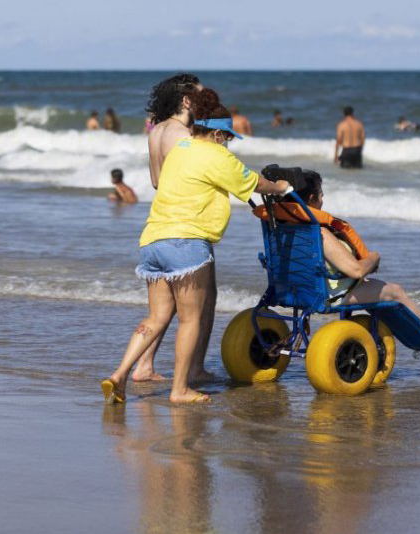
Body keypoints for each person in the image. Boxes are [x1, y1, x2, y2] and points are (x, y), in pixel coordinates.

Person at [101, 89, 291, 405]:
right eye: (226, 137)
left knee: (156, 317)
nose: (227, 142)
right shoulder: (217, 156)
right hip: (187, 244)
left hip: (153, 240)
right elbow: (254, 182)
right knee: (190, 319)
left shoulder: (181, 149)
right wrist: (281, 186)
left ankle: (119, 375)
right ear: (216, 134)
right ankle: (180, 389)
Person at [289, 171, 420, 345]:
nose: (322, 201)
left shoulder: (283, 229)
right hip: (325, 295)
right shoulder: (319, 234)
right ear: (311, 198)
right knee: (395, 291)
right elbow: (357, 271)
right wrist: (374, 258)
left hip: (293, 290)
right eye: (321, 196)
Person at [136, 73, 203, 382]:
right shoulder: (184, 135)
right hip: (184, 224)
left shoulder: (156, 131)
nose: (205, 100)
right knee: (193, 308)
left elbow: (155, 181)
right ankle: (190, 374)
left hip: (157, 222)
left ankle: (143, 365)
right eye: (200, 95)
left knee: (162, 309)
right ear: (187, 100)